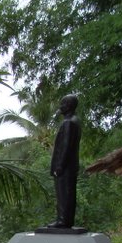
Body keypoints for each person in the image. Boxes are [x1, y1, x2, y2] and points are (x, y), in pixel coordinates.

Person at [48, 93, 81, 229]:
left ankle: (63, 219)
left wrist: (60, 165)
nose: (60, 107)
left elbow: (66, 146)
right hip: (70, 165)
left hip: (65, 166)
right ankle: (66, 219)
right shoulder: (75, 121)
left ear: (69, 106)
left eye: (63, 104)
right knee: (68, 192)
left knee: (64, 193)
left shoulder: (68, 123)